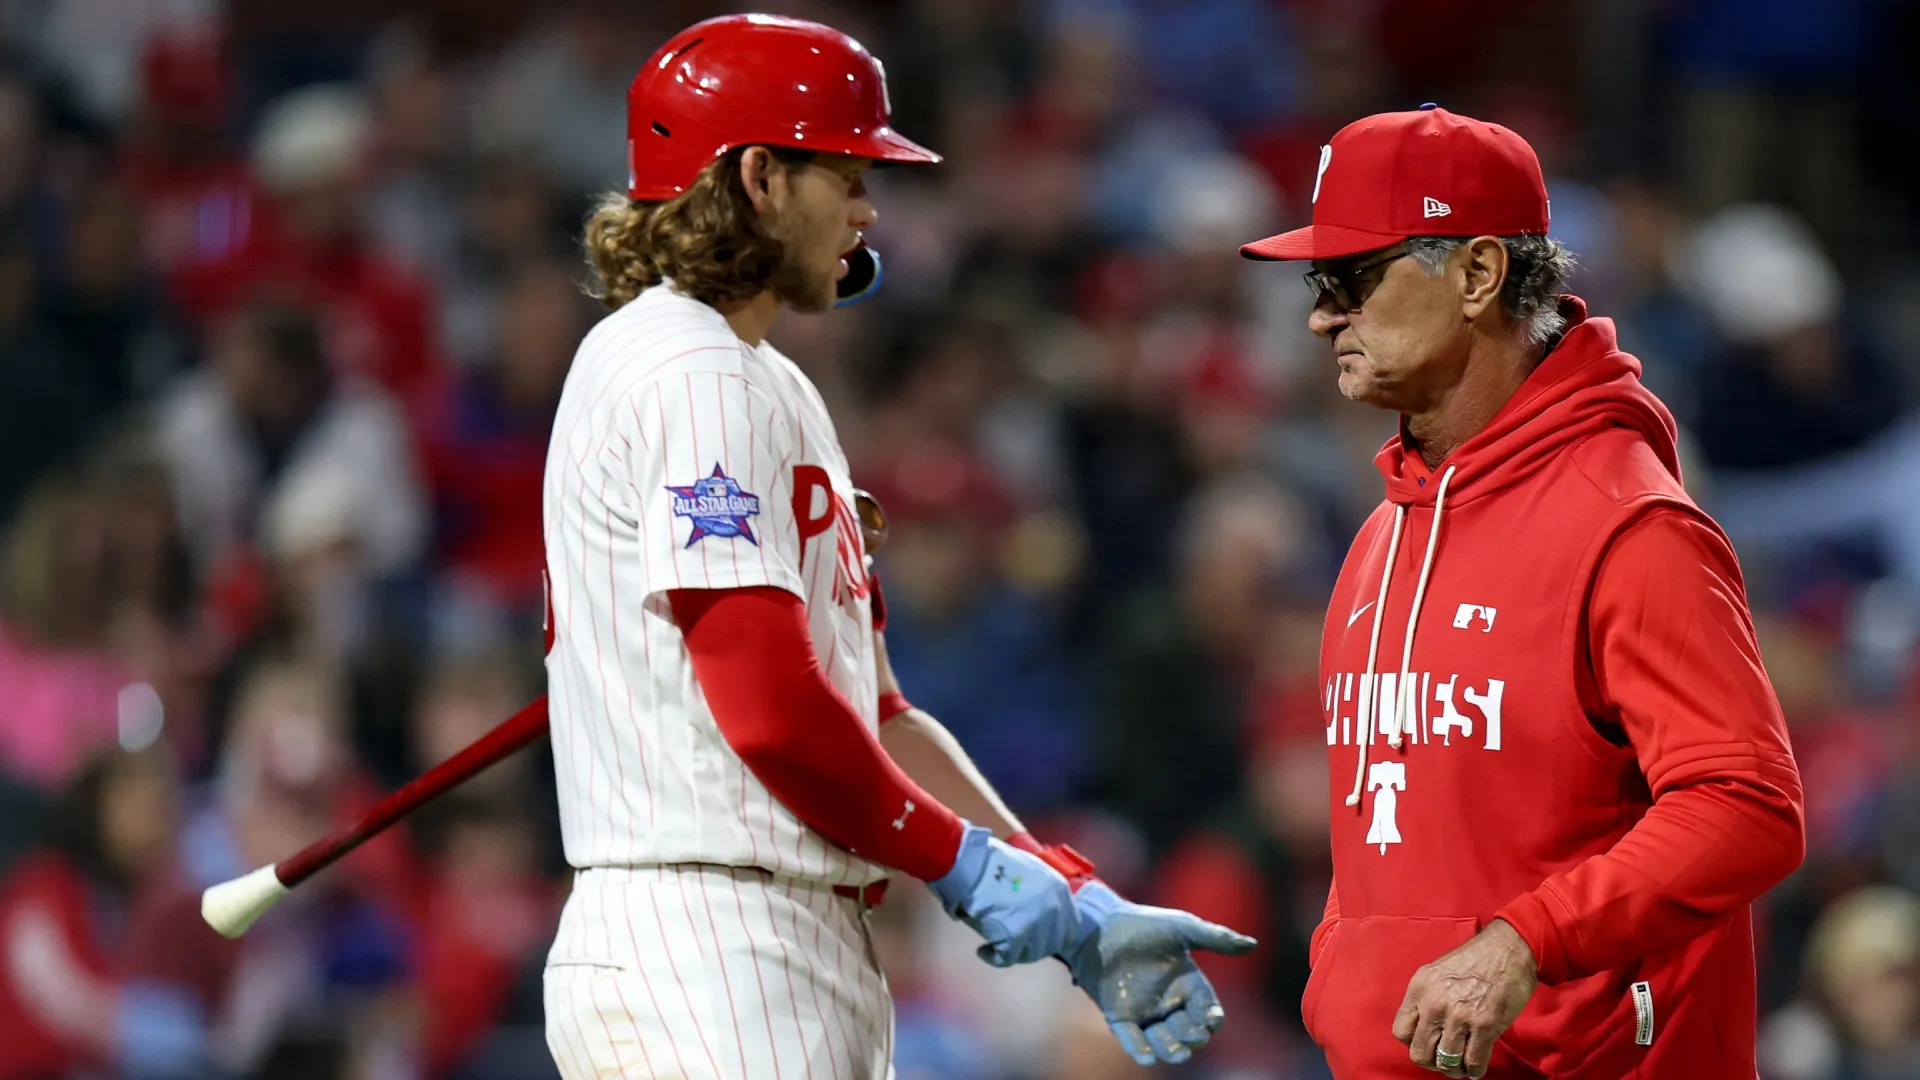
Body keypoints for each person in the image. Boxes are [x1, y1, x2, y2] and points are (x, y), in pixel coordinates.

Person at [539, 14, 1254, 1078]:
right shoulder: (691, 373)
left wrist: (1064, 891)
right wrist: (959, 866)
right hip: (706, 941)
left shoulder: (763, 380)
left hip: (780, 940)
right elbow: (772, 716)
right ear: (759, 179)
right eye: (847, 174)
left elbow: (874, 714)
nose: (871, 209)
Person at [1237, 105, 1805, 1079]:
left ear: (1478, 273)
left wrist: (1524, 941)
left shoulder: (1628, 522)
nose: (1323, 315)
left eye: (1356, 279)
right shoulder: (1383, 534)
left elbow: (1747, 805)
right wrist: (1349, 972)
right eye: (1320, 284)